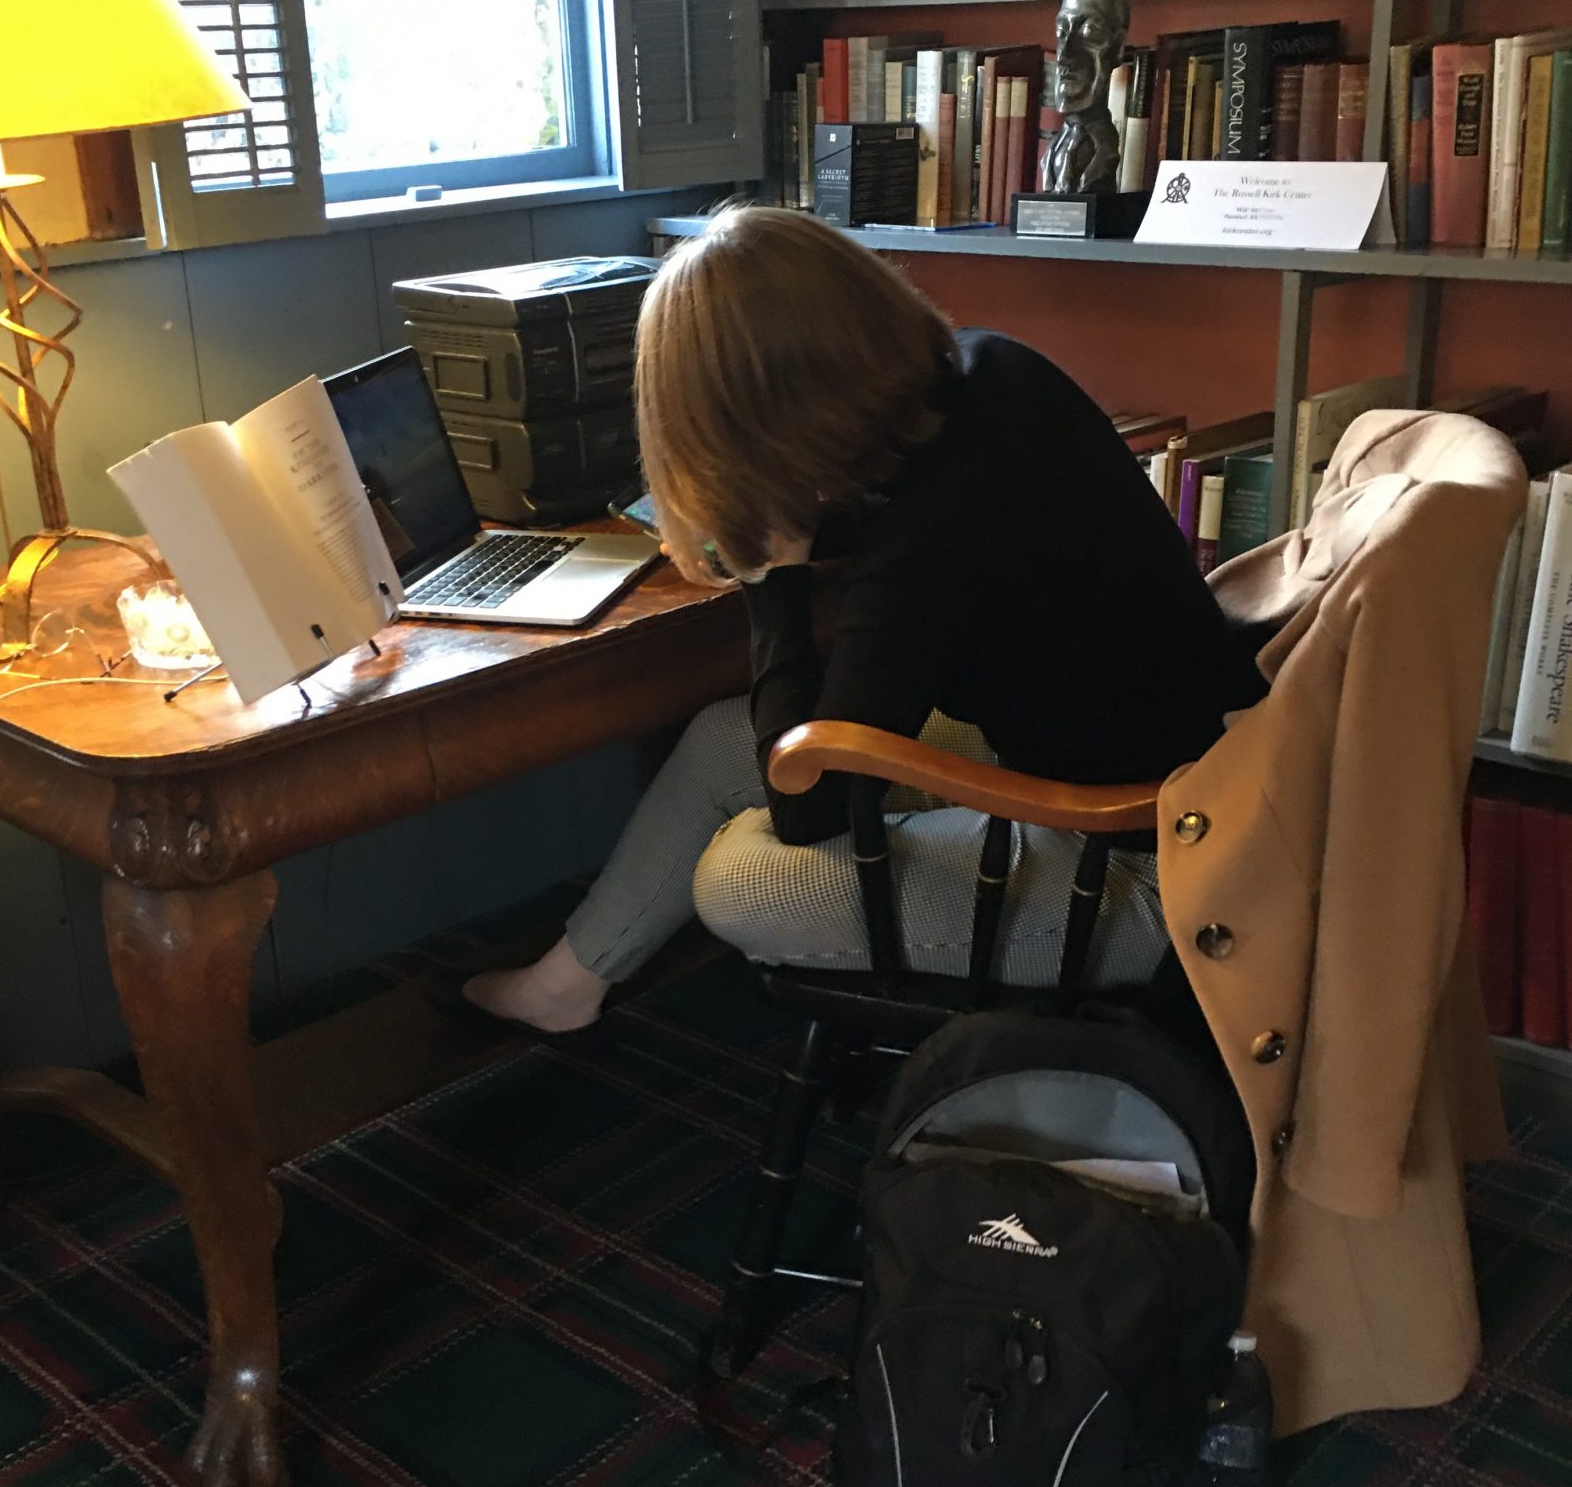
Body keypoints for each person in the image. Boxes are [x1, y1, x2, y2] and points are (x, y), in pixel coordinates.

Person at [450, 206, 1266, 1033]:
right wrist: (805, 529)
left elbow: (812, 809)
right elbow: (922, 530)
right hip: (1213, 791)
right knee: (721, 739)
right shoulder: (991, 369)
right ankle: (564, 986)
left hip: (1166, 879)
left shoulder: (936, 531)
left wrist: (772, 576)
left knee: (739, 881)